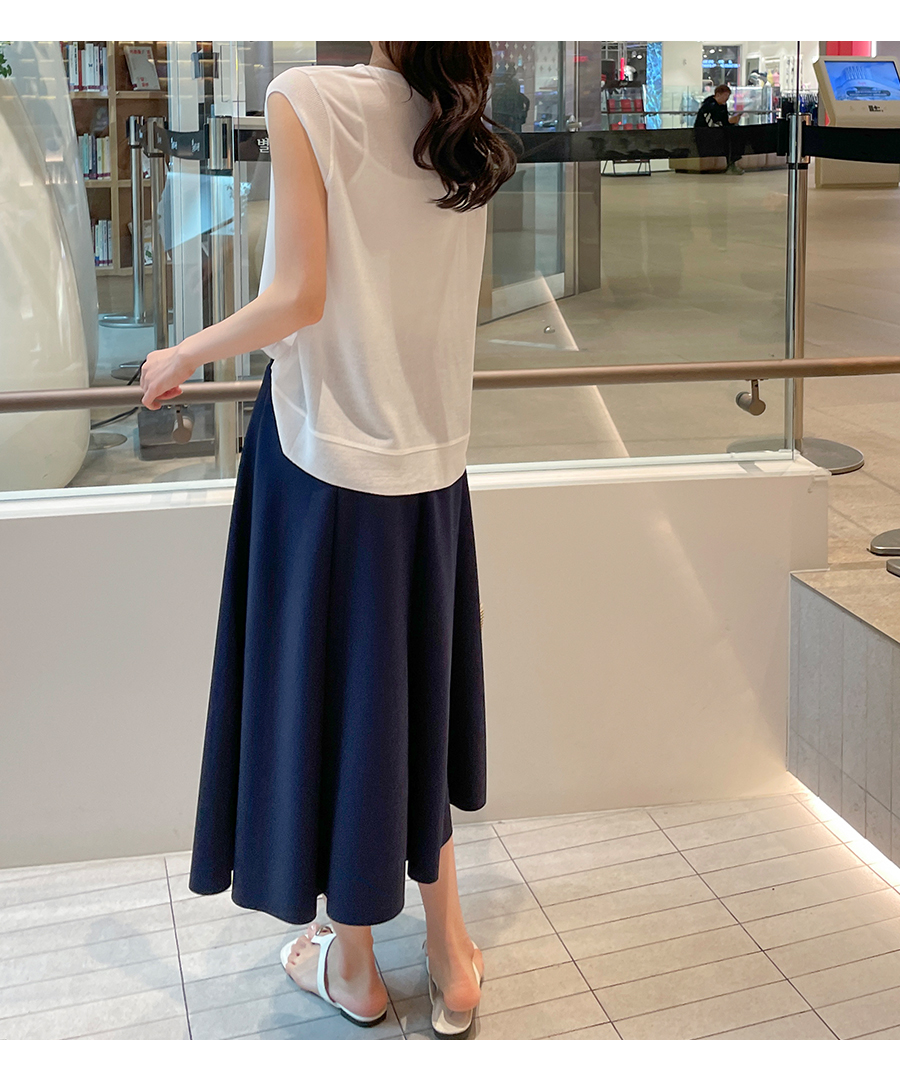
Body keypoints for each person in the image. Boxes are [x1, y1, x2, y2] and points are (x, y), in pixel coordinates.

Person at [138, 41, 518, 1038]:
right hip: (432, 470)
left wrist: (182, 353)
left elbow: (295, 298)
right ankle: (451, 958)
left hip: (326, 466)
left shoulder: (308, 96)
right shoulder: (462, 125)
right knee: (412, 708)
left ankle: (352, 964)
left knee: (347, 711)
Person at [694, 83, 746, 173]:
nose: (727, 98)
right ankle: (731, 164)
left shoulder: (723, 106)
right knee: (729, 138)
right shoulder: (708, 106)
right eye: (725, 96)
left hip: (719, 132)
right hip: (705, 134)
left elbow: (724, 122)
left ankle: (732, 162)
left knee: (736, 132)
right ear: (718, 95)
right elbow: (710, 125)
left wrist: (731, 122)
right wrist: (727, 123)